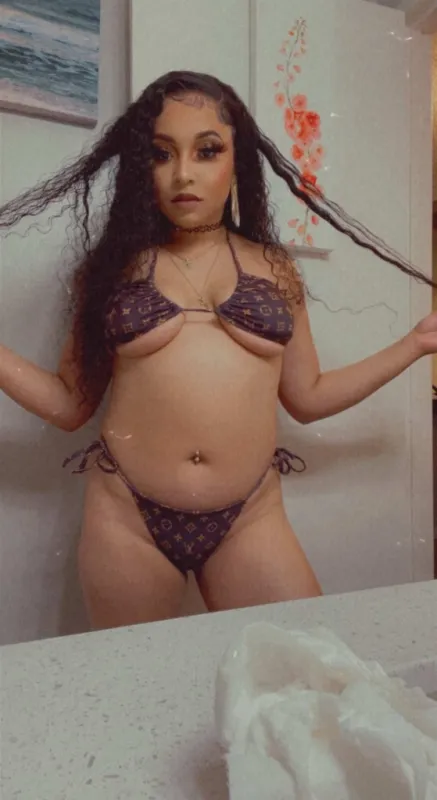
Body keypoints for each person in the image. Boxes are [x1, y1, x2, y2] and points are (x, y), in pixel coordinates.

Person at [1, 71, 436, 631]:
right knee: (139, 675)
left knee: (305, 663)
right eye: (161, 154)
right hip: (127, 518)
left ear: (238, 160)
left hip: (250, 515)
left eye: (207, 151)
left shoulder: (275, 268)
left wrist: (415, 344)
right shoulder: (110, 269)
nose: (183, 173)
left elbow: (307, 397)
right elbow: (69, 404)